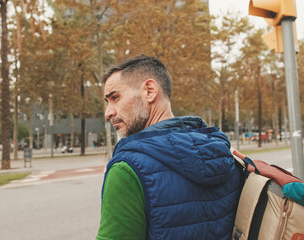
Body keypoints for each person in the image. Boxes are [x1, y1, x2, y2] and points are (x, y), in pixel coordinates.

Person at [96, 54, 242, 240]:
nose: (108, 113)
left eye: (115, 97)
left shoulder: (126, 170)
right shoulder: (221, 153)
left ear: (149, 91)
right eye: (107, 102)